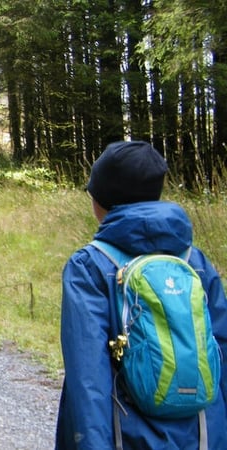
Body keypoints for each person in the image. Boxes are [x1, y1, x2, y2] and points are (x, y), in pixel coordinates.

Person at [55, 140, 227, 449]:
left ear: (102, 200)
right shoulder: (195, 262)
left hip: (126, 437)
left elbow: (88, 377)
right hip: (202, 434)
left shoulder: (89, 266)